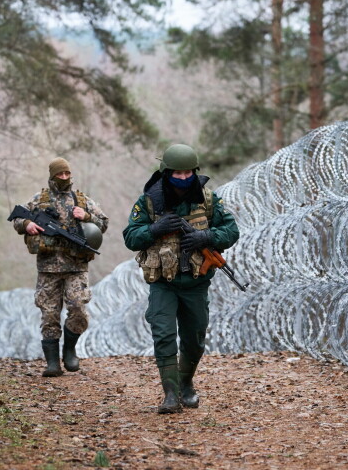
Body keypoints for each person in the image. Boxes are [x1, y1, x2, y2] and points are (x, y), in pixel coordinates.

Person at [122, 144, 240, 413]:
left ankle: (186, 384)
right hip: (163, 284)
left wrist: (207, 236)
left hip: (196, 284)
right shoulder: (149, 201)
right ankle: (171, 394)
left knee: (194, 338)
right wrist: (154, 229)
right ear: (166, 172)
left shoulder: (208, 199)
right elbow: (131, 237)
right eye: (178, 173)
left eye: (189, 173)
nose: (184, 178)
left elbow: (231, 230)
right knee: (163, 335)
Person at [12, 157, 108, 377]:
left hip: (76, 266)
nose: (64, 178)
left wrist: (87, 216)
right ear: (52, 175)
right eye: (60, 174)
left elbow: (103, 223)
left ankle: (70, 350)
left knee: (78, 310)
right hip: (48, 268)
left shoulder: (81, 199)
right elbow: (17, 217)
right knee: (49, 314)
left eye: (67, 174)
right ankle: (52, 362)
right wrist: (28, 224)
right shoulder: (40, 199)